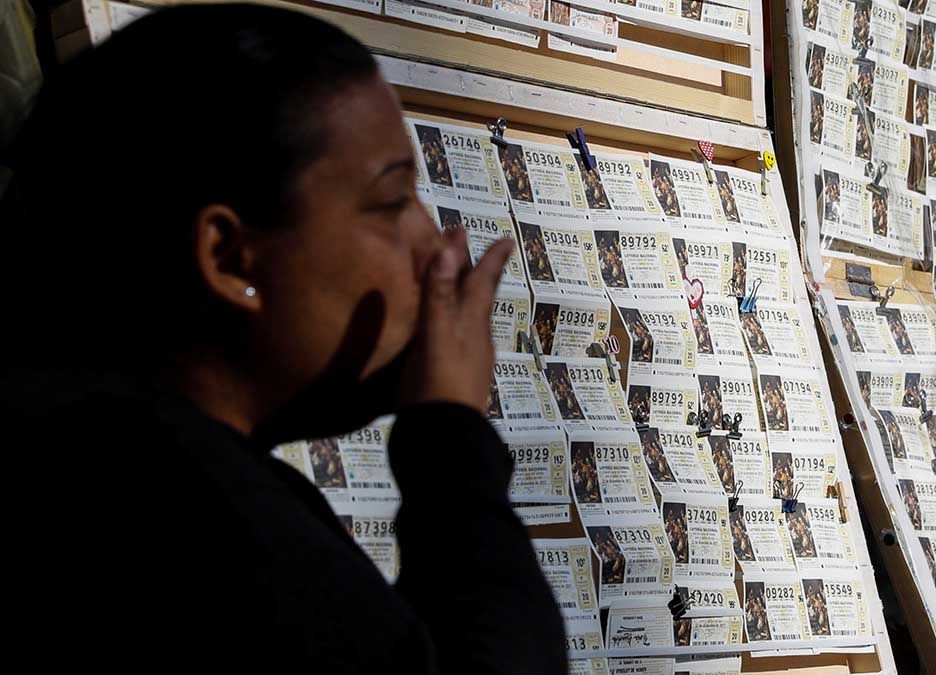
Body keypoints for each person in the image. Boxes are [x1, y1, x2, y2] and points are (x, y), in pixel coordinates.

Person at [0, 4, 566, 672]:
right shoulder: (198, 534)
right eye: (390, 203)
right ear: (232, 258)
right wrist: (450, 439)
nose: (435, 247)